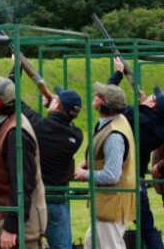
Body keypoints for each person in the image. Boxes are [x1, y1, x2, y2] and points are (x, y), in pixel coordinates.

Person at [8, 64, 84, 249]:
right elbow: (56, 125)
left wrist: (15, 69)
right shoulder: (77, 135)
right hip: (57, 200)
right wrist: (53, 106)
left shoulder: (39, 126)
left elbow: (11, 97)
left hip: (36, 199)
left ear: (57, 105)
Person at [0, 75, 46, 249]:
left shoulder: (16, 134)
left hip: (20, 232)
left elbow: (23, 184)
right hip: (13, 227)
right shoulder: (8, 126)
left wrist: (11, 228)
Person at [109, 57, 164, 248]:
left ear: (152, 106)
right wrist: (143, 106)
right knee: (147, 228)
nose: (149, 95)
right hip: (136, 179)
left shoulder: (141, 120)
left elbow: (109, 99)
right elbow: (140, 118)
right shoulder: (155, 126)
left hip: (121, 180)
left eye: (152, 97)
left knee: (111, 230)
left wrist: (117, 73)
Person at [74, 82, 136, 249]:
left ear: (107, 106)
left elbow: (112, 175)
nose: (95, 94)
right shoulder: (114, 121)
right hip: (107, 202)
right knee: (91, 243)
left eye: (99, 96)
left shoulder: (114, 135)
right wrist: (90, 163)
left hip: (112, 204)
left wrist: (84, 174)